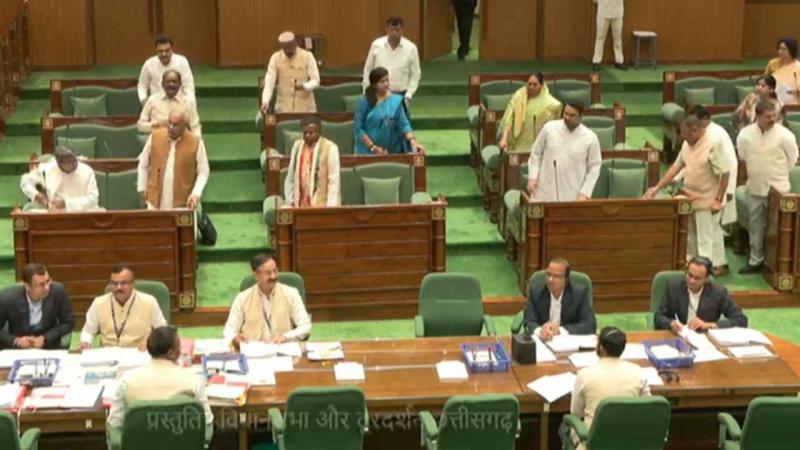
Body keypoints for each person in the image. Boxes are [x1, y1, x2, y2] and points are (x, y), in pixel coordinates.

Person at [645, 114, 730, 265]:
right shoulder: (686, 144)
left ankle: (704, 272)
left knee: (704, 240)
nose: (683, 137)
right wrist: (656, 188)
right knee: (690, 238)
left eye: (685, 133)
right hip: (689, 198)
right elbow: (675, 167)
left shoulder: (713, 144)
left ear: (695, 130)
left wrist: (718, 200)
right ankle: (692, 268)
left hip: (707, 200)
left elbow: (725, 173)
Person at [107, 326, 213, 442]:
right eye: (179, 347)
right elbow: (207, 426)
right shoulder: (193, 381)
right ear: (172, 353)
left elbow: (114, 424)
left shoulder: (127, 381)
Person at [736, 100, 799, 274]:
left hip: (778, 190)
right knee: (755, 226)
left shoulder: (785, 135)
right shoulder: (745, 135)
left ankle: (777, 262)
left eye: (774, 116)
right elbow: (743, 157)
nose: (772, 119)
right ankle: (755, 260)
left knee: (778, 227)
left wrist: (776, 175)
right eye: (768, 116)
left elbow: (793, 159)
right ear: (757, 115)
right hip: (754, 187)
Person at [564, 327, 649, 450]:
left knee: (564, 427)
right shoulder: (638, 372)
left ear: (601, 348)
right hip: (629, 442)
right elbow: (647, 406)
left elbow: (576, 413)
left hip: (592, 443)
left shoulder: (585, 375)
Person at [689, 105, 738, 276]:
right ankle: (718, 263)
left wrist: (728, 191)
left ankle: (707, 267)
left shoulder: (715, 135)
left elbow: (730, 164)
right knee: (713, 229)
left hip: (718, 190)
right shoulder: (702, 133)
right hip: (709, 188)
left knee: (708, 231)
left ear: (704, 119)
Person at [223, 252, 312, 344]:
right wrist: (235, 337)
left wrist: (285, 337)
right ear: (255, 275)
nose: (273, 276)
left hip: (282, 347)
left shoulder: (291, 293)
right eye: (268, 273)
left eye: (275, 271)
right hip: (253, 349)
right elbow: (229, 330)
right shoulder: (242, 298)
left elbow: (306, 326)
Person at [79, 264, 167, 349]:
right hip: (108, 353)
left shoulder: (149, 302)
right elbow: (89, 331)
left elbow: (162, 331)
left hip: (139, 352)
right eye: (115, 283)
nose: (119, 287)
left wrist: (149, 344)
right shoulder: (98, 303)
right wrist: (86, 342)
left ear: (132, 284)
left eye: (123, 283)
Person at [527, 103, 602, 202]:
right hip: (544, 189)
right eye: (565, 114)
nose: (567, 117)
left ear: (580, 116)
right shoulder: (549, 128)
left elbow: (595, 166)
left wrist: (585, 192)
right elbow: (536, 152)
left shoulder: (590, 138)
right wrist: (532, 176)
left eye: (572, 115)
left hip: (573, 193)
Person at [137, 111, 210, 210]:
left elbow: (203, 171)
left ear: (184, 126)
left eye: (175, 125)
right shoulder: (155, 136)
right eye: (169, 123)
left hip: (182, 205)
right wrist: (142, 188)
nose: (171, 128)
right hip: (154, 203)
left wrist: (195, 194)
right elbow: (143, 163)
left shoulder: (196, 143)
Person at [654, 256, 748, 332]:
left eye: (697, 278)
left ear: (706, 279)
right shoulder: (674, 286)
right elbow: (659, 317)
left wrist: (709, 325)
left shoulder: (718, 293)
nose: (692, 281)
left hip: (705, 339)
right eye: (690, 275)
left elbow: (741, 320)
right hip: (678, 336)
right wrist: (671, 324)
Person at [0, 263, 75, 350]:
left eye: (48, 281)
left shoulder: (57, 291)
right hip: (18, 349)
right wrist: (16, 341)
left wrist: (45, 339)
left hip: (48, 347)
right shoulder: (8, 299)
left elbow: (68, 322)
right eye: (41, 284)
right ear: (27, 286)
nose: (47, 288)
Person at [355, 67, 425, 155]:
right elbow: (358, 128)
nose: (386, 84)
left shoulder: (395, 101)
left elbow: (404, 125)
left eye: (387, 80)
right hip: (368, 151)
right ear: (374, 84)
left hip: (391, 151)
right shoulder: (365, 101)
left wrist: (413, 141)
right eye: (382, 81)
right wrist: (373, 147)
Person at [523, 258, 597, 341]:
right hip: (542, 340)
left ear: (566, 279)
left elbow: (590, 325)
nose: (550, 279)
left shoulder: (579, 294)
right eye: (548, 275)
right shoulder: (536, 292)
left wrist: (560, 330)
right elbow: (529, 321)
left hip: (567, 341)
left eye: (556, 276)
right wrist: (540, 331)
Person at [498, 72, 562, 153]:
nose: (531, 87)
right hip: (517, 143)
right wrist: (504, 138)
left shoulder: (551, 104)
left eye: (535, 84)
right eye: (529, 84)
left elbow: (555, 127)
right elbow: (508, 118)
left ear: (541, 85)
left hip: (539, 146)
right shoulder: (519, 96)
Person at [362, 17, 421, 104]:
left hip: (401, 95)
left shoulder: (411, 48)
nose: (394, 33)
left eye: (397, 30)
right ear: (386, 29)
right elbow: (368, 69)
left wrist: (409, 94)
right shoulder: (376, 45)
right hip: (378, 94)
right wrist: (366, 90)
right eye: (392, 30)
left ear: (402, 30)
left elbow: (416, 74)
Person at [284, 116, 341, 207]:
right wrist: (290, 200)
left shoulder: (330, 148)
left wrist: (331, 208)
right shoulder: (297, 147)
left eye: (311, 133)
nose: (307, 135)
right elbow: (290, 176)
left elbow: (334, 180)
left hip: (322, 205)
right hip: (300, 204)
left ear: (319, 132)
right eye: (305, 133)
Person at [20, 147, 99, 211]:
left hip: (83, 213)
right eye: (65, 163)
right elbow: (25, 180)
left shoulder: (87, 171)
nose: (70, 165)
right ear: (58, 163)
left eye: (72, 162)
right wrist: (36, 195)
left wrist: (66, 203)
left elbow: (93, 199)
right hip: (55, 213)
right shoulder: (49, 167)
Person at [260, 31, 320, 114]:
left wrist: (304, 86)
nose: (289, 53)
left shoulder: (307, 56)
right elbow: (269, 82)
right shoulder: (275, 58)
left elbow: (316, 81)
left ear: (295, 43)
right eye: (286, 50)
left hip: (306, 109)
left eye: (291, 49)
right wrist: (265, 101)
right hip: (283, 110)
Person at [137, 69, 201, 136]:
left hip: (180, 140)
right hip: (157, 139)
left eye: (174, 82)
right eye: (168, 82)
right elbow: (140, 126)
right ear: (162, 84)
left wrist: (198, 141)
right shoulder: (152, 100)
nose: (171, 84)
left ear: (180, 84)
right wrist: (158, 125)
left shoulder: (188, 103)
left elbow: (195, 127)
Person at [138, 36, 195, 105]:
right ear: (156, 51)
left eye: (167, 50)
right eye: (160, 51)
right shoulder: (149, 64)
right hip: (156, 104)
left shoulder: (182, 61)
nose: (164, 54)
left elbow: (188, 86)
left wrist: (190, 104)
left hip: (178, 104)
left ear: (172, 50)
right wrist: (144, 101)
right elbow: (142, 85)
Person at [591, 0, 626, 71]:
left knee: (618, 39)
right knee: (600, 38)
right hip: (603, 12)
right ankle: (596, 61)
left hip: (617, 13)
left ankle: (619, 61)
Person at [764, 38, 800, 105]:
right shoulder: (772, 64)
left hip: (794, 100)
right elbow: (765, 81)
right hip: (774, 98)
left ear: (792, 50)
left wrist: (796, 92)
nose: (780, 51)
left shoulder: (798, 66)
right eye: (779, 48)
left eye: (784, 49)